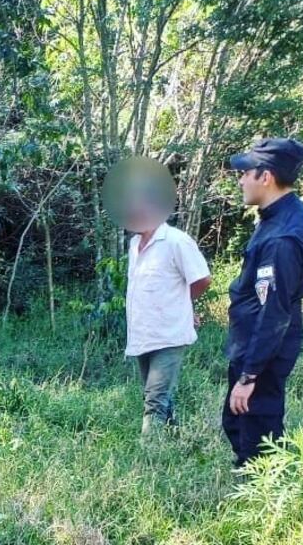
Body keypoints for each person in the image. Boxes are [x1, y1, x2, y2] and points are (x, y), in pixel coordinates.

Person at [225, 138, 303, 467]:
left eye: (245, 172)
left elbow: (274, 311)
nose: (241, 179)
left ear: (267, 177)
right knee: (239, 422)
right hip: (256, 341)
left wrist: (249, 376)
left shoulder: (283, 237)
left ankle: (263, 505)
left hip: (263, 346)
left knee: (256, 433)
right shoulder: (280, 217)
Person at [124, 186, 211, 434]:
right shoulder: (134, 245)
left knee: (154, 401)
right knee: (159, 397)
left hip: (169, 334)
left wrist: (184, 306)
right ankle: (178, 440)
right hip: (142, 335)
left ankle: (149, 459)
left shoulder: (176, 241)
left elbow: (202, 279)